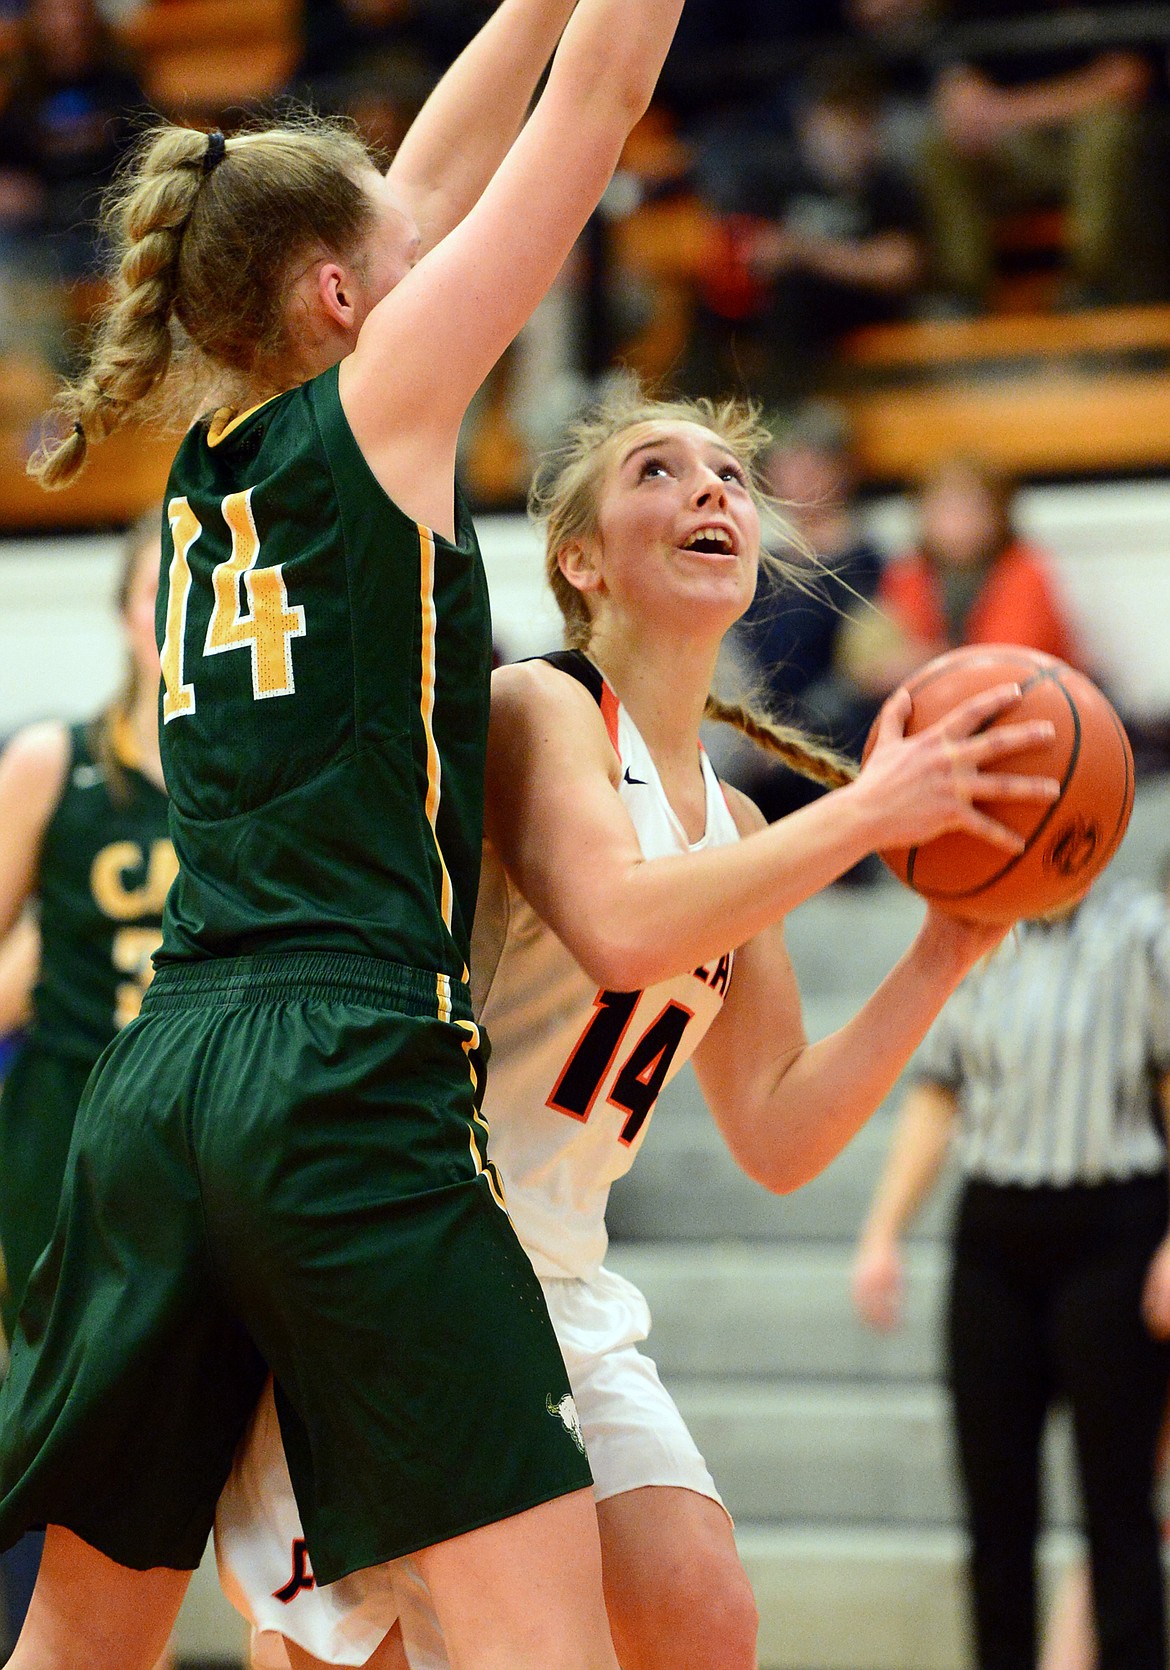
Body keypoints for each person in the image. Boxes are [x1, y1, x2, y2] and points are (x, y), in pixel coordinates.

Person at [0, 4, 696, 1669]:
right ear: (339, 294)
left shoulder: (205, 461)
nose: (431, 238)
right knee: (546, 1644)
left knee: (78, 1644)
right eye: (403, 248)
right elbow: (594, 104)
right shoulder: (382, 410)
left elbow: (428, 177)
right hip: (343, 1076)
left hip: (162, 1084)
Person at [210, 388, 1065, 1670]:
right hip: (406, 1257)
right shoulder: (538, 708)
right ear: (581, 558)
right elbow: (618, 921)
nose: (711, 489)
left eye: (729, 474)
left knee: (700, 1613)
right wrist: (874, 811)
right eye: (659, 472)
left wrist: (945, 947)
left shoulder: (740, 824)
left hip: (560, 1276)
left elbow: (776, 1125)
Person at [852, 877, 1170, 1670]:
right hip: (993, 1235)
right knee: (995, 1521)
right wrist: (883, 1231)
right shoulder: (973, 928)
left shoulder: (1145, 932)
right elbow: (937, 1090)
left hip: (1115, 1229)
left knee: (1118, 1513)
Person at [0, 513, 172, 1657]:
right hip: (64, 1137)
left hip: (211, 1147)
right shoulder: (55, 759)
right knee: (43, 1440)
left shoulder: (278, 776)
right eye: (168, 584)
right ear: (125, 614)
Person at [844, 453, 1082, 705]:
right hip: (937, 706)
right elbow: (883, 658)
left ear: (998, 514)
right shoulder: (909, 572)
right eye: (944, 509)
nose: (956, 522)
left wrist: (926, 660)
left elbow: (1009, 664)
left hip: (1033, 704)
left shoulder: (1024, 569)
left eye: (969, 508)